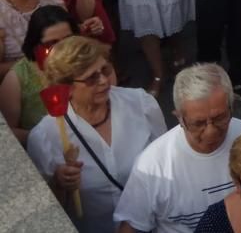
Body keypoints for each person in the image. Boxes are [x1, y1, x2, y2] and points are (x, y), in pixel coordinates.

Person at [28, 36, 166, 233]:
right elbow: (46, 214)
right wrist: (59, 184)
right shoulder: (45, 137)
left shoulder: (140, 104)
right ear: (66, 87)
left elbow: (168, 162)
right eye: (91, 78)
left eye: (105, 70)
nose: (103, 81)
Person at [114, 64, 241, 233]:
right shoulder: (152, 166)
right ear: (179, 117)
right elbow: (131, 227)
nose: (210, 131)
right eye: (199, 123)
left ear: (231, 107)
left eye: (220, 118)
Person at [0, 5, 78, 144]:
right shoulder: (17, 79)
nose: (62, 48)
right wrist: (47, 140)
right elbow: (7, 132)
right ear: (36, 44)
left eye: (68, 40)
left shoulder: (87, 65)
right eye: (52, 43)